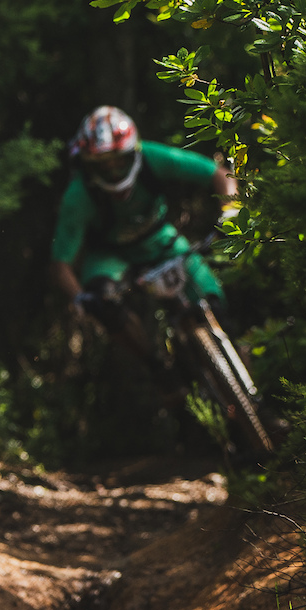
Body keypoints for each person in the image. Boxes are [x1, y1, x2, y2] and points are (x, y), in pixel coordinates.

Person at [49, 106, 237, 401]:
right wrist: (80, 298)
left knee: (218, 309)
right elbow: (62, 264)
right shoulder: (78, 195)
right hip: (111, 256)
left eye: (118, 161)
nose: (112, 171)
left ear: (133, 152)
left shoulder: (152, 157)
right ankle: (157, 367)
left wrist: (230, 210)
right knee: (102, 302)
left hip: (161, 242)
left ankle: (254, 402)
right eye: (103, 165)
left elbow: (218, 174)